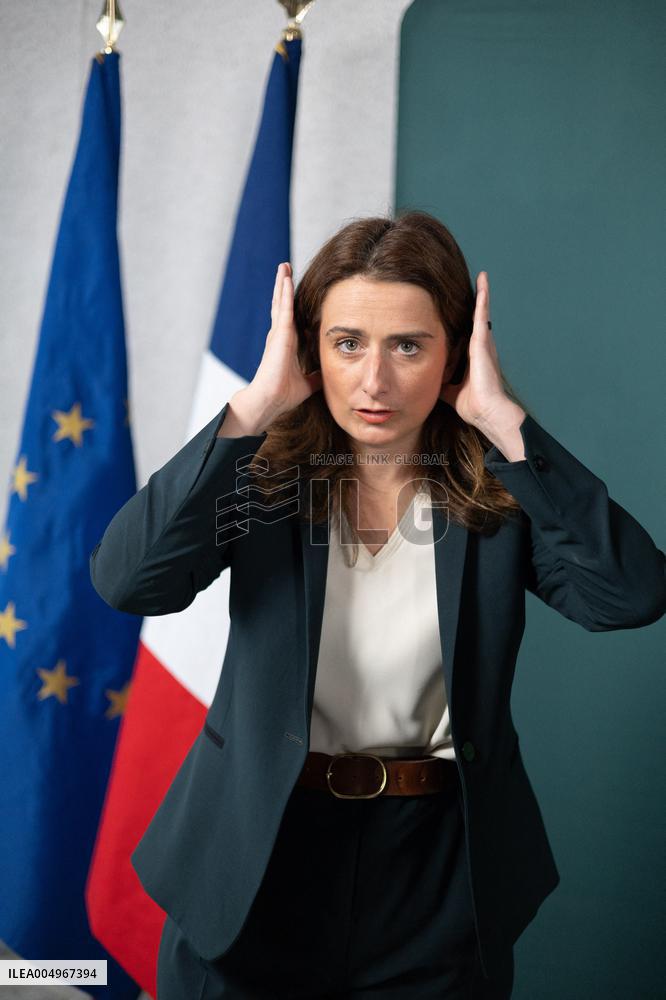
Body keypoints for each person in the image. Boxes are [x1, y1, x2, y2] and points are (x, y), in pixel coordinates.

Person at [89, 211, 665, 999]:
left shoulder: (502, 497)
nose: (374, 381)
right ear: (311, 347)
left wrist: (505, 422)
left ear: (457, 352)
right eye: (348, 341)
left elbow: (629, 595)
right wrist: (255, 406)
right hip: (257, 858)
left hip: (433, 877)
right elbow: (129, 580)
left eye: (408, 345)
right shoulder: (261, 482)